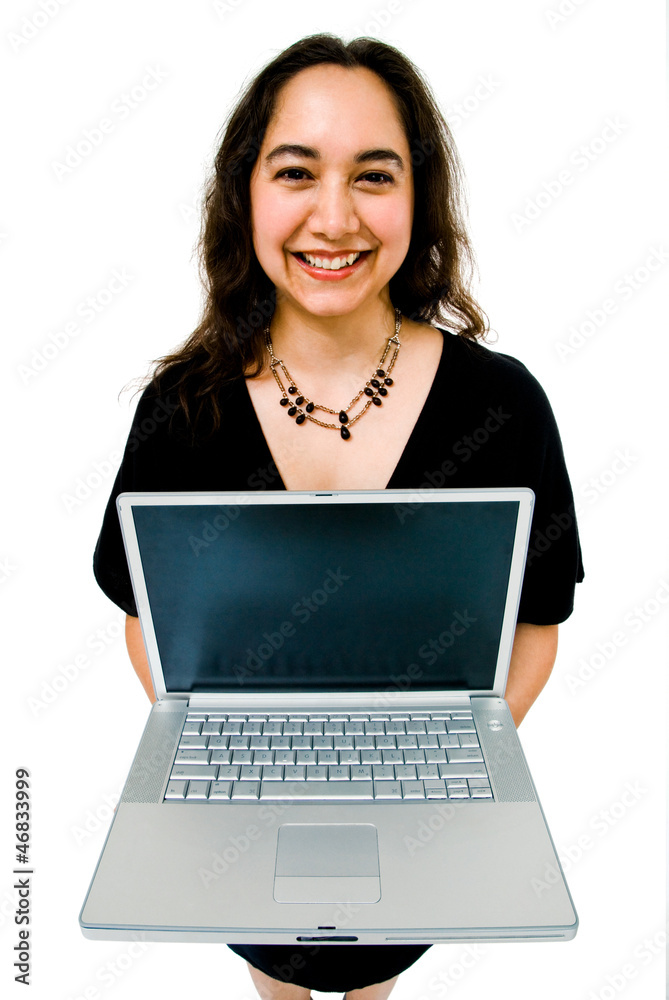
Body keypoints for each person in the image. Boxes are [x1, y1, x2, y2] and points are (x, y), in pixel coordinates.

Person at [93, 33, 583, 1000]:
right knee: (273, 965)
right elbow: (146, 619)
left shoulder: (503, 407)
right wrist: (231, 755)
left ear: (419, 197)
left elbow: (536, 624)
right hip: (239, 796)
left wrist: (439, 763)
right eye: (295, 172)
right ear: (245, 194)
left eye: (373, 175)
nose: (333, 217)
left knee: (373, 970)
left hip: (423, 792)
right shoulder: (181, 411)